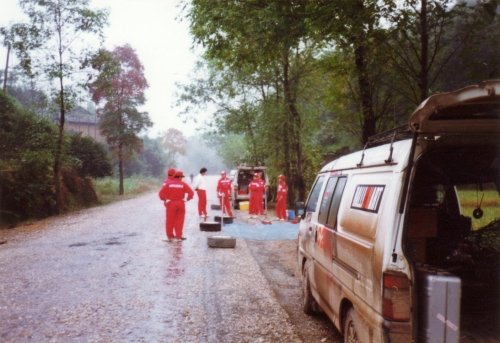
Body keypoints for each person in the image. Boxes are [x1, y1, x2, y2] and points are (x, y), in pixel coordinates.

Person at [158, 169, 194, 242]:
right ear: (180, 177)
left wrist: (165, 199)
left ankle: (170, 237)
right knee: (180, 221)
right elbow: (191, 193)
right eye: (182, 177)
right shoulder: (183, 184)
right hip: (181, 203)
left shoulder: (168, 184)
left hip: (171, 203)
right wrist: (187, 199)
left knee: (170, 221)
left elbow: (161, 193)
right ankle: (178, 237)